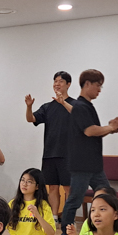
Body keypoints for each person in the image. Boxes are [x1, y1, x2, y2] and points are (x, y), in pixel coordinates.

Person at [60, 69, 118, 235]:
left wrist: (111, 129)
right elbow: (89, 131)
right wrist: (110, 127)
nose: (99, 90)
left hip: (93, 164)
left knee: (108, 196)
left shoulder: (87, 106)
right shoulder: (80, 107)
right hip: (82, 164)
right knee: (75, 200)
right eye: (98, 85)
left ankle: (111, 231)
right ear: (87, 84)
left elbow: (94, 132)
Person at [25, 71, 76, 215]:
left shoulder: (75, 104)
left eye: (60, 81)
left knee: (68, 187)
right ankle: (54, 217)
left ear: (68, 84)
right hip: (49, 153)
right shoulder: (47, 107)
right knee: (52, 187)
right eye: (55, 81)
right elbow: (31, 119)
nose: (57, 84)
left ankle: (69, 217)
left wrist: (63, 102)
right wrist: (29, 107)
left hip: (68, 154)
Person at [6, 168, 56, 235]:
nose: (24, 184)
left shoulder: (43, 205)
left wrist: (37, 215)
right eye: (22, 180)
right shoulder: (12, 204)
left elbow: (51, 233)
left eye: (29, 182)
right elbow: (2, 225)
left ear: (37, 186)